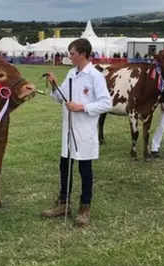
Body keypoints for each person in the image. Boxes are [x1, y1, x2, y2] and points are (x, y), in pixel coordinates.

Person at [41, 38, 112, 227]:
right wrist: (55, 85)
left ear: (82, 54)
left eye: (72, 54)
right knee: (65, 165)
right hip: (69, 129)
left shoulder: (95, 76)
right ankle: (63, 203)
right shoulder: (72, 73)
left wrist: (82, 107)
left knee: (84, 169)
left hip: (85, 130)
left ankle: (84, 207)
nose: (69, 57)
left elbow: (106, 103)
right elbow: (61, 98)